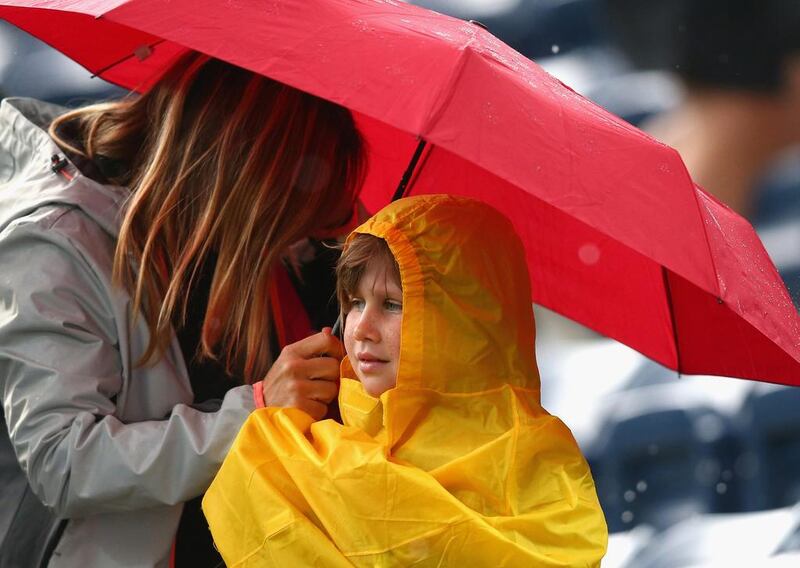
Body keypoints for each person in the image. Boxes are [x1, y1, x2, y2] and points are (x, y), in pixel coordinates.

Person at [0, 52, 365, 567]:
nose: (300, 238)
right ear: (245, 193)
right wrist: (255, 412)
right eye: (288, 222)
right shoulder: (56, 244)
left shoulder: (226, 234)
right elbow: (64, 462)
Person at [203, 194, 608, 566]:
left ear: (461, 323)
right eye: (356, 302)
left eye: (393, 305)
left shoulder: (533, 460)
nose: (362, 328)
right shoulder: (313, 450)